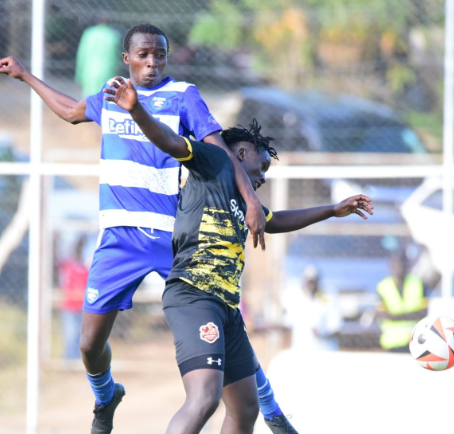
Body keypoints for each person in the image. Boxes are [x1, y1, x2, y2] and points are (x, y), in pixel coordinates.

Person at [0, 23, 274, 434]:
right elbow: (72, 111)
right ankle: (107, 395)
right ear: (126, 59)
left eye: (159, 54)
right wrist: (25, 75)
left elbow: (217, 149)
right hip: (118, 238)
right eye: (143, 54)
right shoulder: (111, 95)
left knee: (222, 311)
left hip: (169, 236)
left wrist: (251, 198)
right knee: (89, 343)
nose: (152, 62)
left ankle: (268, 402)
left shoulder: (183, 96)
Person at [104, 75, 374, 433]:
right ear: (242, 153)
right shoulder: (212, 162)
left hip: (227, 309)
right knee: (204, 397)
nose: (262, 177)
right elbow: (169, 140)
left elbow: (275, 220)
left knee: (246, 408)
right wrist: (136, 109)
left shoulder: (246, 202)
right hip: (194, 295)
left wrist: (331, 209)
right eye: (261, 167)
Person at [376, 250, 427, 353]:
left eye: (401, 264)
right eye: (395, 264)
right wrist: (411, 315)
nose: (398, 267)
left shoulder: (418, 283)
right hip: (392, 343)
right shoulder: (383, 287)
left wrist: (395, 316)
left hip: (416, 341)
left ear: (407, 266)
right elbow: (383, 314)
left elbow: (424, 312)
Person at [285, 265, 341, 351]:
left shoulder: (327, 302)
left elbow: (335, 329)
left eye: (313, 282)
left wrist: (322, 336)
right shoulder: (297, 302)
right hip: (300, 352)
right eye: (309, 282)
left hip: (322, 351)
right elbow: (287, 325)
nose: (311, 285)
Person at [58, 236, 89, 359]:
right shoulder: (68, 265)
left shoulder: (87, 268)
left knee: (82, 336)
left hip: (83, 308)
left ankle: (80, 360)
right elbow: (56, 258)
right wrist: (57, 240)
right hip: (70, 307)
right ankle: (70, 360)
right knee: (70, 334)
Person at [75, 22, 120, 98]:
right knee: (105, 98)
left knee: (89, 99)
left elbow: (81, 56)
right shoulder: (113, 35)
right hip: (107, 71)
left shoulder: (88, 33)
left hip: (88, 71)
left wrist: (78, 76)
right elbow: (116, 57)